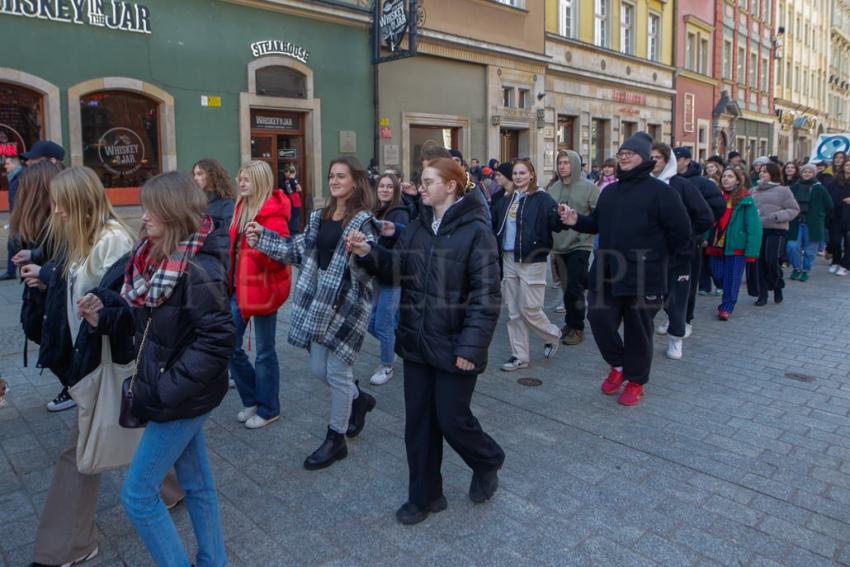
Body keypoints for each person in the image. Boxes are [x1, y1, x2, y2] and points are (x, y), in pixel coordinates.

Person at [26, 166, 184, 567]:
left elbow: (123, 308)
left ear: (78, 201)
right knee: (130, 432)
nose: (55, 209)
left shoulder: (112, 241)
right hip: (92, 363)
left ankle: (67, 545)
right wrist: (46, 278)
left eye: (60, 201)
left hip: (107, 364)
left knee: (79, 451)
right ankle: (170, 490)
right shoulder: (83, 238)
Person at [80, 171, 234, 567]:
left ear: (173, 212)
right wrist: (105, 319)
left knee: (137, 495)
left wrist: (164, 390)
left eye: (152, 209)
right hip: (175, 392)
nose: (142, 216)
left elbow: (216, 343)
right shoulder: (154, 257)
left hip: (181, 397)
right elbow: (145, 322)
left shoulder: (199, 268)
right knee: (198, 485)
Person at [348, 157, 505, 525]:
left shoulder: (476, 231)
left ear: (450, 186)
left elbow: (486, 297)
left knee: (452, 419)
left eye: (429, 181)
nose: (421, 186)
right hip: (418, 342)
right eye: (422, 180)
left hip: (455, 345)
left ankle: (487, 459)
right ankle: (425, 496)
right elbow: (396, 269)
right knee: (418, 423)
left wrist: (471, 348)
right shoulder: (418, 227)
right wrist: (369, 253)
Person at [245, 156, 378, 470]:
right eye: (331, 176)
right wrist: (263, 238)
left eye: (341, 176)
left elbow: (373, 258)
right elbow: (296, 250)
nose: (334, 181)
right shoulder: (320, 217)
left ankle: (336, 439)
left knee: (337, 373)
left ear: (356, 181)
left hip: (348, 306)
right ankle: (360, 399)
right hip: (319, 305)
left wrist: (365, 250)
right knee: (319, 369)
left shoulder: (363, 220)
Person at [558, 132, 691, 406]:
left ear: (644, 157)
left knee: (638, 331)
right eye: (621, 153)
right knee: (599, 320)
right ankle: (619, 366)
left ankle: (636, 381)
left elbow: (681, 233)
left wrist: (663, 263)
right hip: (607, 271)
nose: (624, 156)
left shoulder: (662, 192)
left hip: (645, 276)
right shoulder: (611, 192)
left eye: (630, 153)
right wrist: (575, 220)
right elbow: (596, 223)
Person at [228, 160, 292, 429]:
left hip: (265, 290)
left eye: (247, 179)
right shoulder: (240, 208)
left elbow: (282, 260)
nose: (241, 183)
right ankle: (253, 397)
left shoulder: (274, 216)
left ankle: (269, 408)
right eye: (240, 178)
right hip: (237, 289)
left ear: (261, 182)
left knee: (265, 352)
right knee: (228, 345)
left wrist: (262, 244)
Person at [492, 159, 563, 371]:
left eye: (523, 173)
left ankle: (552, 334)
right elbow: (495, 225)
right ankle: (519, 356)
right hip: (508, 258)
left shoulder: (542, 198)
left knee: (530, 308)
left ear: (531, 175)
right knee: (513, 311)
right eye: (515, 173)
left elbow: (555, 223)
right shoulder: (507, 199)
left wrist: (561, 216)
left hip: (532, 259)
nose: (519, 177)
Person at [650, 144, 713, 360]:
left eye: (658, 158)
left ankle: (676, 340)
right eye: (650, 157)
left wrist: (688, 238)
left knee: (676, 300)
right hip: (650, 256)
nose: (654, 161)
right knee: (648, 302)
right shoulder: (644, 185)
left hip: (679, 256)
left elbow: (705, 217)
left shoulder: (682, 186)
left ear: (668, 161)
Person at [548, 150, 599, 346]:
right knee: (566, 288)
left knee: (574, 288)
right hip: (559, 247)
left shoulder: (589, 188)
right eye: (560, 162)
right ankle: (570, 323)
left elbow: (597, 216)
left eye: (566, 163)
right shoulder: (553, 188)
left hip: (580, 245)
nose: (562, 166)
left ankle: (577, 328)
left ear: (575, 165)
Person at [673, 147, 725, 332]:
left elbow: (717, 208)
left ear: (687, 160)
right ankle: (672, 316)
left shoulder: (702, 183)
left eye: (677, 158)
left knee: (688, 281)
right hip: (668, 242)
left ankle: (686, 319)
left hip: (691, 241)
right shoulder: (666, 181)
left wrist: (698, 232)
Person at [367, 173, 410, 385]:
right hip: (376, 273)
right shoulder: (375, 210)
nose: (384, 190)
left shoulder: (399, 213)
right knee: (371, 322)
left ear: (395, 191)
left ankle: (387, 366)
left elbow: (403, 242)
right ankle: (394, 346)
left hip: (392, 276)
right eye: (381, 186)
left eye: (389, 187)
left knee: (382, 322)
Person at [706, 167, 763, 320]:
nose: (726, 179)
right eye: (724, 176)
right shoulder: (716, 196)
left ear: (738, 180)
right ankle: (728, 292)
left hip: (736, 245)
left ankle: (726, 307)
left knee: (732, 278)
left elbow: (753, 226)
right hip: (716, 243)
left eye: (730, 176)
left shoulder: (746, 198)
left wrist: (752, 251)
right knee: (717, 275)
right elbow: (707, 218)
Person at [751, 162, 799, 304]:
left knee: (771, 260)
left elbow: (794, 209)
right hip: (758, 230)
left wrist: (778, 216)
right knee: (759, 263)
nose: (762, 173)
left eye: (765, 171)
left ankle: (777, 285)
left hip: (776, 230)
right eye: (761, 171)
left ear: (773, 174)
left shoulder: (783, 190)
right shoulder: (754, 190)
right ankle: (763, 295)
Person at [786, 163, 832, 282]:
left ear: (814, 173)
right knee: (792, 246)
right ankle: (796, 267)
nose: (807, 174)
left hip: (813, 223)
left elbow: (829, 204)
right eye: (805, 172)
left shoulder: (820, 188)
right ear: (801, 173)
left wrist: (819, 213)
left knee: (810, 250)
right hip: (796, 222)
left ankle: (805, 270)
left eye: (810, 172)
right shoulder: (795, 187)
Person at [193, 158, 236, 231]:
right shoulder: (195, 201)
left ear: (212, 175)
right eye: (194, 174)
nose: (195, 178)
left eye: (199, 174)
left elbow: (227, 231)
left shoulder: (226, 203)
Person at [2, 150, 24, 279]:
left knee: (16, 243)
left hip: (20, 217)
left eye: (8, 163)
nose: (5, 166)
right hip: (15, 216)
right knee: (12, 243)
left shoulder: (20, 177)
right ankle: (11, 271)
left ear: (16, 164)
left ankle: (13, 271)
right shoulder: (13, 177)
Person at [827, 159, 850, 276]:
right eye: (847, 165)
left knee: (848, 242)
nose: (849, 167)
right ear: (843, 167)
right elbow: (828, 196)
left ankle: (846, 265)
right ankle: (836, 261)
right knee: (835, 242)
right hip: (836, 215)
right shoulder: (834, 181)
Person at [283, 165, 304, 234]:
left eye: (286, 171)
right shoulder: (294, 180)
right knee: (296, 216)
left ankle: (291, 231)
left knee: (291, 216)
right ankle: (295, 232)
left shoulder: (287, 181)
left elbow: (289, 191)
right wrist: (296, 190)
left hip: (289, 199)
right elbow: (300, 189)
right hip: (295, 199)